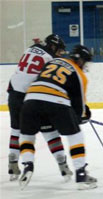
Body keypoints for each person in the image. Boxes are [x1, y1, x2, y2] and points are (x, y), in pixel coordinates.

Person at [18, 45, 97, 190]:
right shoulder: (79, 74)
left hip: (30, 100)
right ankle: (81, 174)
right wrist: (81, 117)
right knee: (76, 136)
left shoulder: (53, 61)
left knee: (27, 136)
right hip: (56, 101)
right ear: (81, 61)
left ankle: (27, 165)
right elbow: (78, 103)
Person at [7, 34, 73, 182]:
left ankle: (12, 163)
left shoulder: (31, 48)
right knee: (50, 131)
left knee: (16, 130)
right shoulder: (52, 60)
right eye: (59, 50)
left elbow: (35, 55)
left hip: (13, 92)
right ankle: (63, 165)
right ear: (53, 46)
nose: (60, 53)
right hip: (31, 97)